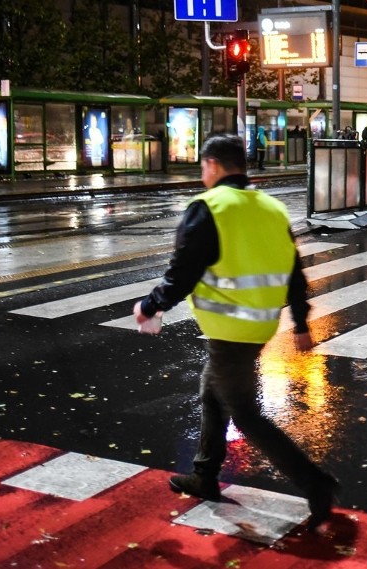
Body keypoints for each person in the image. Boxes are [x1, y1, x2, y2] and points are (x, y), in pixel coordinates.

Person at [133, 133, 340, 531]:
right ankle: (204, 475)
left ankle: (316, 482)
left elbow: (184, 271)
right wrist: (299, 321)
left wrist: (151, 305)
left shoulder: (210, 208)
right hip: (260, 325)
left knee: (244, 413)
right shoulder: (272, 209)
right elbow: (295, 273)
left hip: (229, 328)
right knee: (212, 392)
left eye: (203, 167)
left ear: (212, 165)